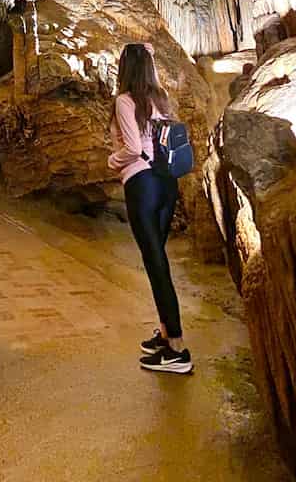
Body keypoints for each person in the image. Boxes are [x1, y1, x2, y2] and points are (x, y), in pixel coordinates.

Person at [108, 41, 193, 374]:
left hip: (142, 184)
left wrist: (112, 160)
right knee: (158, 260)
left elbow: (132, 148)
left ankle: (177, 350)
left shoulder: (125, 101)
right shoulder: (161, 98)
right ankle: (165, 333)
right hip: (167, 184)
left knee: (156, 265)